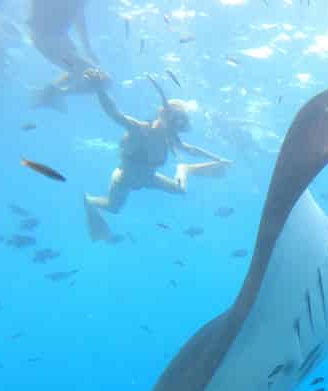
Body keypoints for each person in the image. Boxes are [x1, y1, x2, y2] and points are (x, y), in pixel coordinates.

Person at [83, 68, 232, 241]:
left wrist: (216, 159)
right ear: (164, 115)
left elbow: (191, 149)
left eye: (179, 122)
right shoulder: (140, 130)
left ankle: (185, 169)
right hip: (124, 179)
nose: (175, 126)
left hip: (148, 178)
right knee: (113, 207)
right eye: (175, 119)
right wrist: (99, 89)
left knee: (180, 189)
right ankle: (89, 200)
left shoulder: (170, 138)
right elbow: (115, 114)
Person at [27, 0, 102, 110]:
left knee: (84, 72)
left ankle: (50, 93)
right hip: (52, 44)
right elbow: (79, 18)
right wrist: (87, 49)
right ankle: (52, 94)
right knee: (101, 79)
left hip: (54, 43)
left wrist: (88, 49)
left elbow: (79, 17)